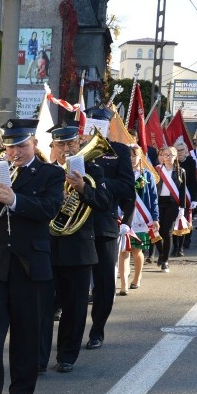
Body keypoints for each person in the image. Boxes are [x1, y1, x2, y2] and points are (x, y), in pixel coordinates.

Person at [0, 119, 65, 394]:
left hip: (29, 262)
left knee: (26, 329)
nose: (15, 153)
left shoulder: (49, 173)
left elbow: (50, 209)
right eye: (10, 147)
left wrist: (14, 200)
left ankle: (21, 390)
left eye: (21, 146)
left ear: (33, 144)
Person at [40, 124, 112, 374]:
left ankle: (67, 355)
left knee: (75, 306)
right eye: (61, 145)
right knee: (42, 306)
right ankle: (39, 357)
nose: (66, 149)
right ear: (54, 147)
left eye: (71, 143)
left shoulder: (93, 171)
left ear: (79, 144)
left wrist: (83, 188)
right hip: (47, 247)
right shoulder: (45, 172)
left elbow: (104, 204)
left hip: (79, 248)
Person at [82, 107, 135, 351]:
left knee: (104, 282)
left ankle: (97, 330)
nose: (96, 125)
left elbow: (127, 188)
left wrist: (100, 182)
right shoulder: (76, 147)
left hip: (103, 223)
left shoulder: (119, 151)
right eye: (92, 121)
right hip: (75, 224)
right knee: (75, 282)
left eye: (101, 122)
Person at [118, 145, 159, 295]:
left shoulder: (147, 175)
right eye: (129, 156)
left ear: (140, 157)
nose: (132, 159)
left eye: (134, 155)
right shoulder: (120, 174)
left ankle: (137, 276)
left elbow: (154, 198)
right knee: (123, 250)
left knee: (136, 250)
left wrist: (155, 217)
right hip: (124, 215)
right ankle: (123, 284)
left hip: (141, 217)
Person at [155, 146, 187, 273]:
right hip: (158, 203)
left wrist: (182, 208)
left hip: (172, 204)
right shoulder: (156, 170)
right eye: (165, 155)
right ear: (162, 156)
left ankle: (165, 261)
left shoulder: (180, 171)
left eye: (170, 155)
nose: (168, 157)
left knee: (167, 232)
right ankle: (162, 253)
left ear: (175, 157)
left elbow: (183, 190)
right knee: (157, 232)